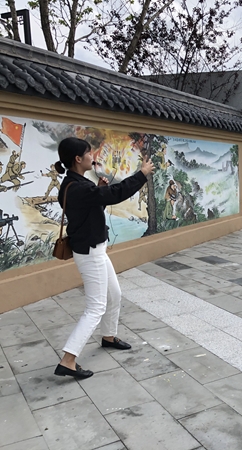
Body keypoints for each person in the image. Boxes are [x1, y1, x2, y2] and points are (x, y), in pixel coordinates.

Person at [54, 137, 154, 378]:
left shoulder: (76, 184)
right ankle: (68, 359)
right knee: (95, 307)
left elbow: (90, 208)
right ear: (78, 159)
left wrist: (98, 191)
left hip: (95, 249)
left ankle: (108, 336)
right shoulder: (77, 187)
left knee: (114, 294)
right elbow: (116, 193)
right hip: (90, 253)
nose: (93, 156)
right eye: (89, 153)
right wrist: (141, 174)